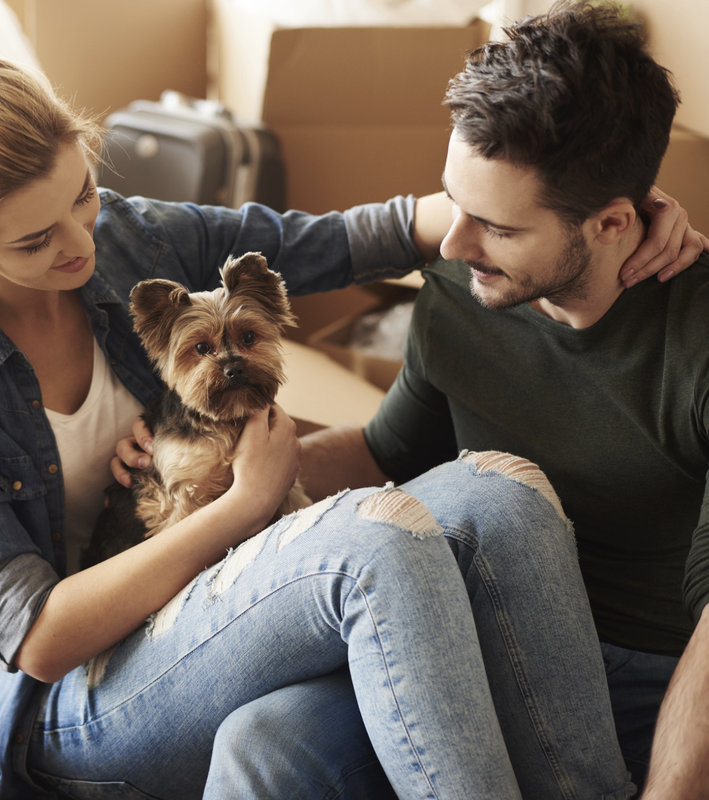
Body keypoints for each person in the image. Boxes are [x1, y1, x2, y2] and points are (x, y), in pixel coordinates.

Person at [0, 36, 700, 800]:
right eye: (35, 241)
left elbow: (349, 238)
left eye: (82, 195)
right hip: (78, 693)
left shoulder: (125, 234)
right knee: (373, 542)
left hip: (210, 606)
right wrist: (241, 502)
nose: (81, 243)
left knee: (496, 490)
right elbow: (35, 641)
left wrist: (617, 209)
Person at [224, 2, 706, 796]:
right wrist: (216, 485)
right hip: (470, 627)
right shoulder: (460, 285)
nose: (450, 246)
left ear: (614, 222)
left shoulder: (693, 338)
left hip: (645, 671)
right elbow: (388, 451)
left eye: (495, 227)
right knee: (267, 743)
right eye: (452, 204)